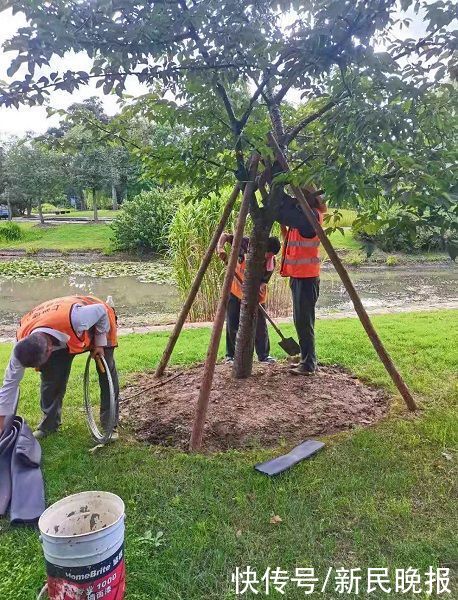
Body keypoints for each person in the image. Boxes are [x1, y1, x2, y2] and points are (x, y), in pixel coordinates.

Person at [0, 295, 119, 438]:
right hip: (61, 329)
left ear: (50, 349)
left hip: (97, 320)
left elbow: (101, 311)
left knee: (106, 373)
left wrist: (99, 343)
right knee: (51, 377)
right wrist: (2, 421)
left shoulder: (78, 318)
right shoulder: (21, 343)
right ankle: (49, 426)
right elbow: (10, 384)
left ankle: (109, 425)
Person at [278, 189, 327, 375]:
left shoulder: (311, 216)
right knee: (301, 321)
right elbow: (290, 238)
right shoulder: (304, 217)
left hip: (306, 278)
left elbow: (283, 211)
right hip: (300, 276)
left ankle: (308, 364)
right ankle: (307, 360)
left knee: (304, 322)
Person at [217, 233, 281, 364]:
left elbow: (263, 283)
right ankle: (231, 355)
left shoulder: (271, 263)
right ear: (263, 247)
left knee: (260, 326)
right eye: (267, 253)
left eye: (271, 255)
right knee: (232, 322)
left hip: (256, 296)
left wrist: (256, 289)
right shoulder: (246, 243)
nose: (268, 257)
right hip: (235, 290)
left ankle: (264, 355)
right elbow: (225, 236)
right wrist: (220, 248)